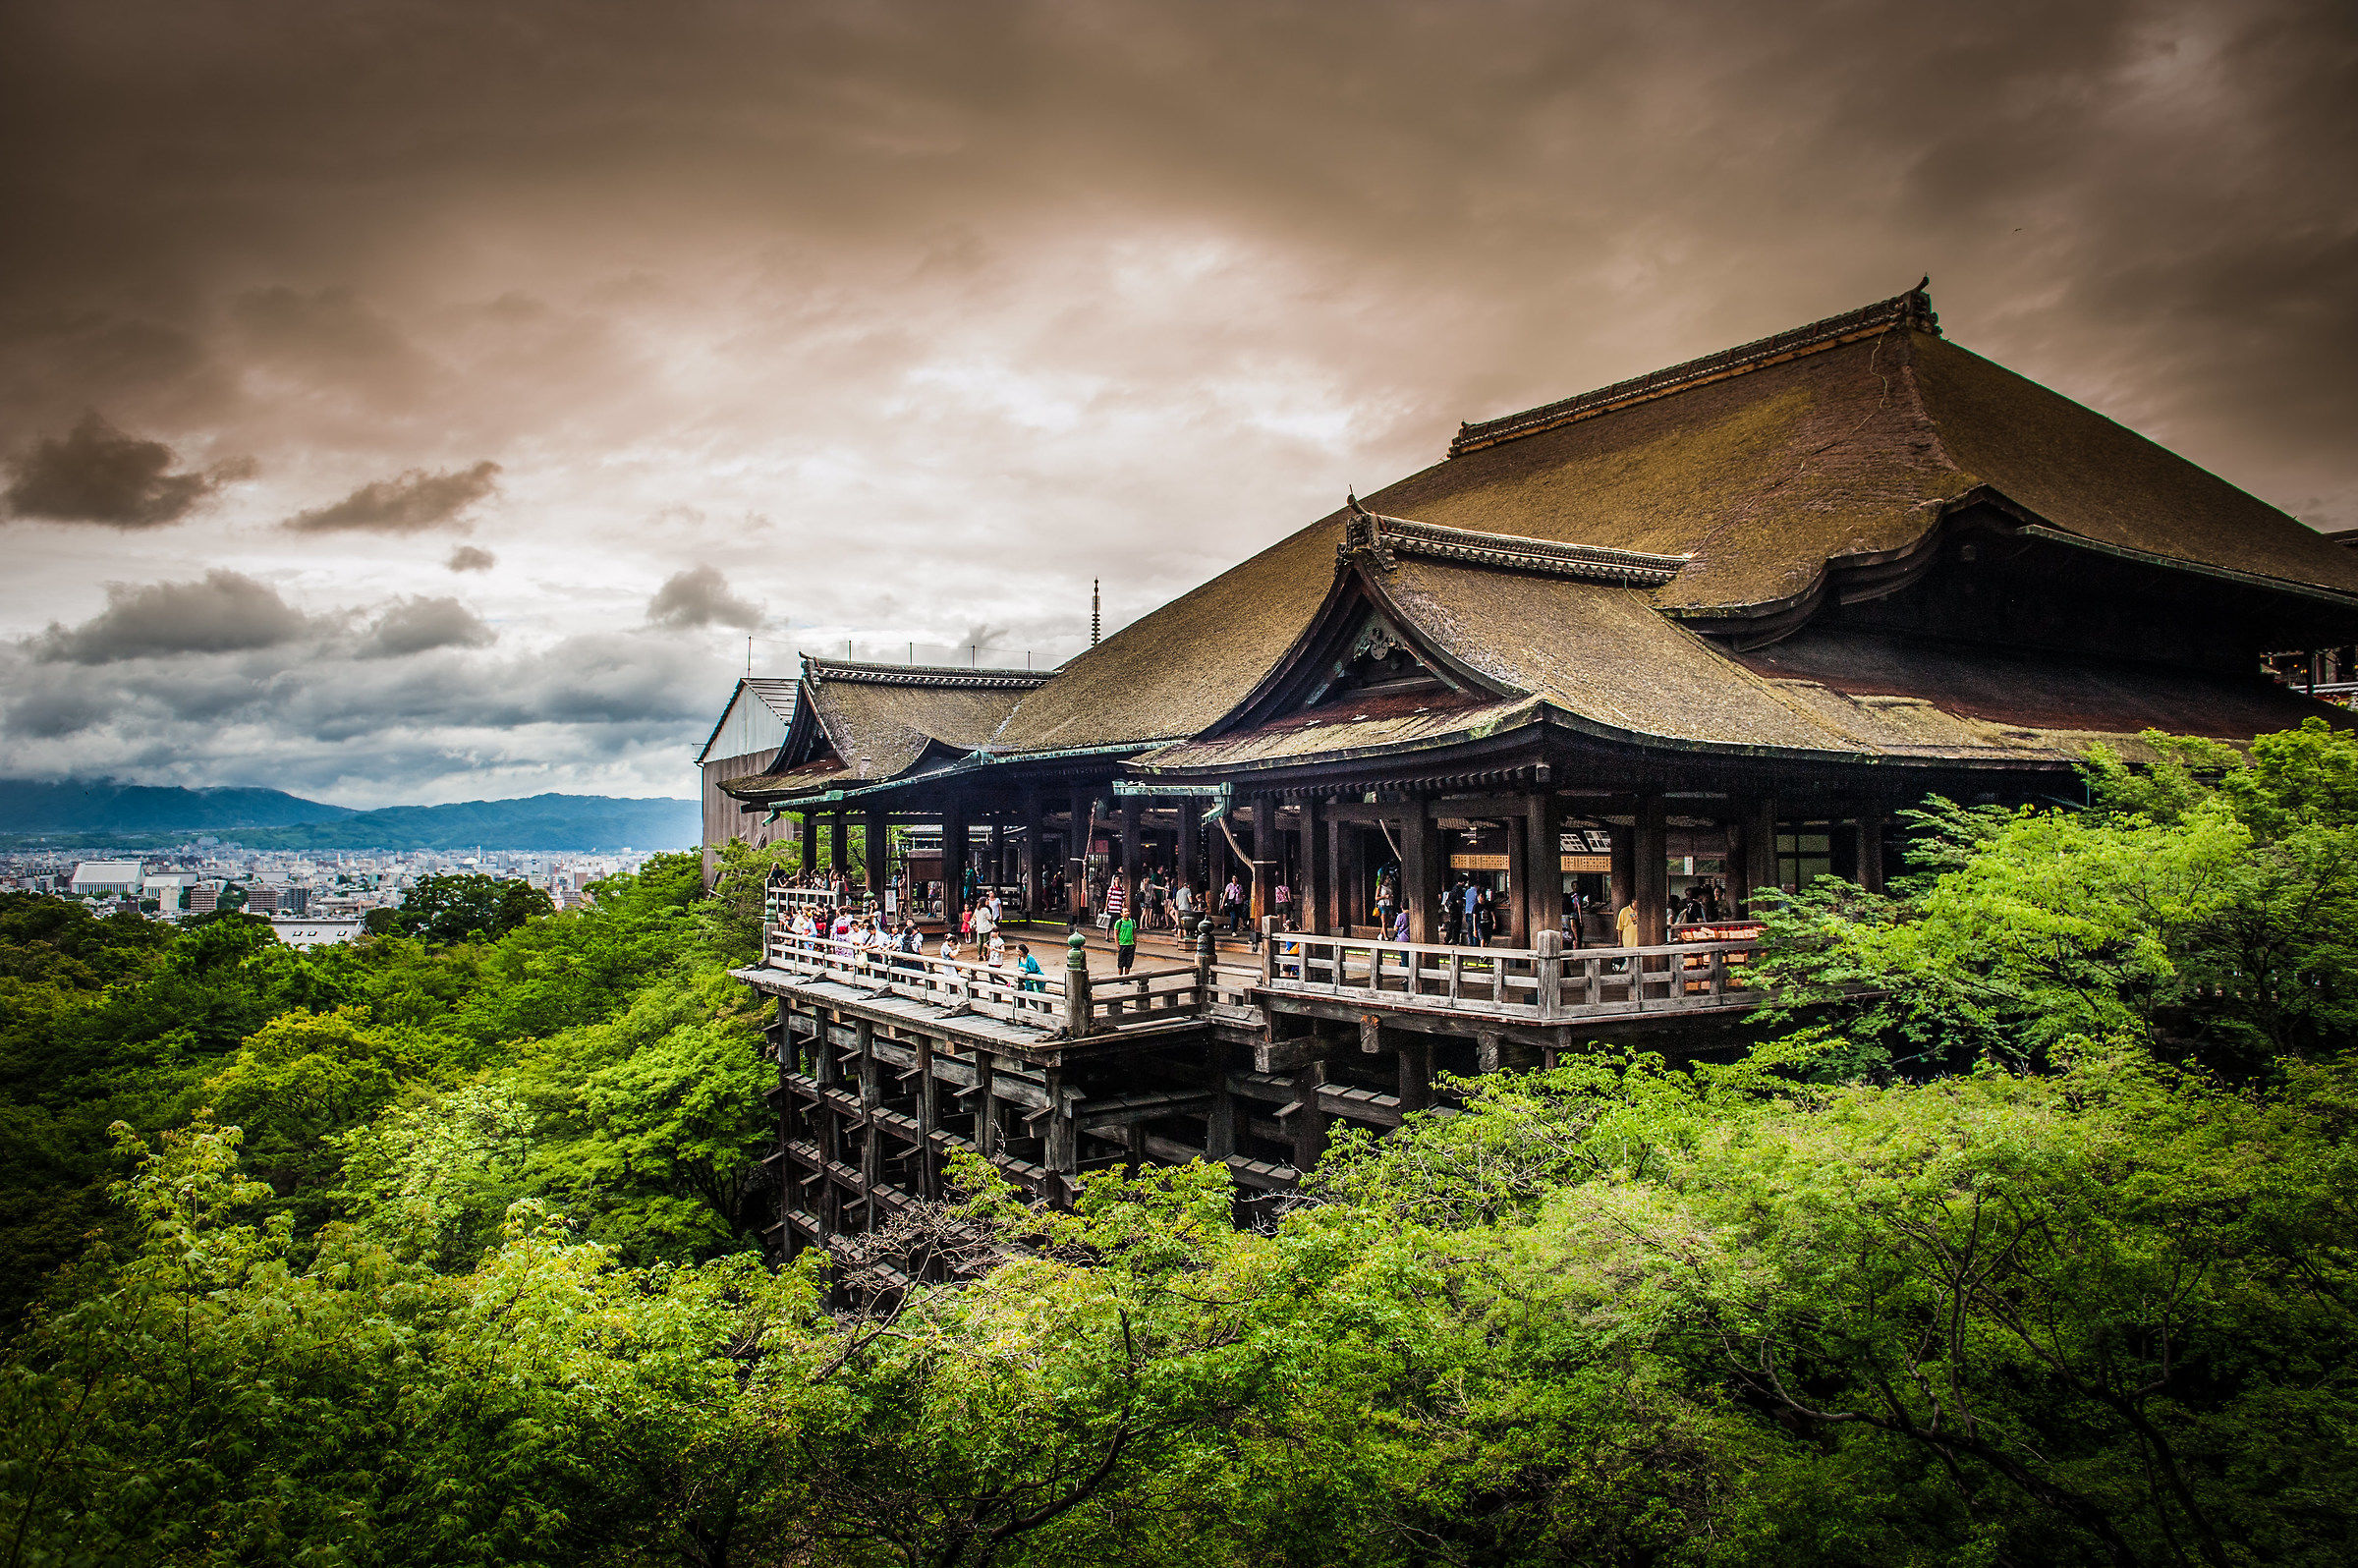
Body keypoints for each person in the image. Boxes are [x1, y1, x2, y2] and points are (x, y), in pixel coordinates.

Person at [1114, 909, 1137, 974]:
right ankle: (1121, 978)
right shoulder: (1119, 922)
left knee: (1129, 963)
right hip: (1122, 945)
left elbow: (1134, 933)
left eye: (1128, 911)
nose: (1127, 913)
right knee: (1121, 963)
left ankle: (1126, 977)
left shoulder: (1132, 921)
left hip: (1130, 944)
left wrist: (1135, 942)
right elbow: (1116, 933)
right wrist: (1117, 944)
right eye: (1125, 912)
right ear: (1121, 914)